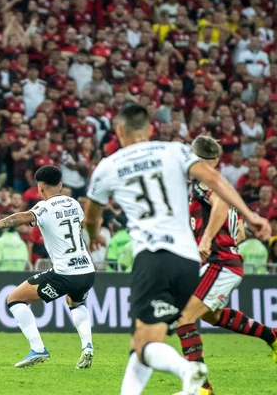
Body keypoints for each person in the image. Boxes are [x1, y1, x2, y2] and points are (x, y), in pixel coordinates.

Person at [83, 104, 270, 395]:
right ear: (149, 130)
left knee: (148, 343)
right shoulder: (174, 150)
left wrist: (93, 235)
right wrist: (251, 215)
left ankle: (190, 371)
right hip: (188, 261)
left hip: (153, 258)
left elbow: (92, 217)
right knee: (144, 342)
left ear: (118, 131)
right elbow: (215, 179)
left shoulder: (108, 166)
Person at [0, 166, 95, 369]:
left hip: (65, 273)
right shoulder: (75, 203)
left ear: (40, 188)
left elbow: (19, 218)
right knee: (75, 302)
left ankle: (38, 349)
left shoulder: (43, 208)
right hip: (87, 271)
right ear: (60, 185)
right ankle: (87, 347)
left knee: (14, 299)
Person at [175, 136, 277, 394]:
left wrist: (208, 238)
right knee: (212, 315)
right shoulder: (223, 185)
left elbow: (220, 204)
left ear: (193, 158)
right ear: (217, 159)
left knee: (184, 319)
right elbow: (240, 233)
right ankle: (272, 336)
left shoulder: (204, 183)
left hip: (219, 261)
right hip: (225, 260)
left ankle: (201, 387)